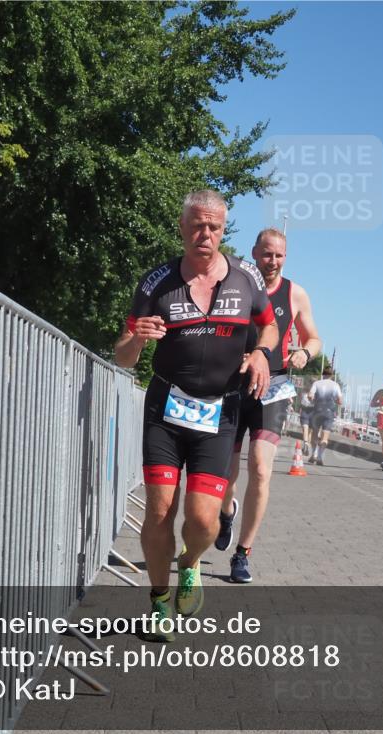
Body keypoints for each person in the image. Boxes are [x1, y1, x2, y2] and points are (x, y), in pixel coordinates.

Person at [115, 190, 278, 641]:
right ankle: (158, 600)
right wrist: (137, 340)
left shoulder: (246, 279)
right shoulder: (156, 283)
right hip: (166, 412)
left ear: (224, 230)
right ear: (183, 227)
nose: (205, 235)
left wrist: (263, 353)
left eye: (215, 227)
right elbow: (124, 356)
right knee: (160, 510)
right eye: (196, 226)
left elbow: (269, 324)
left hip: (218, 416)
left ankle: (189, 564)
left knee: (203, 519)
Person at [215, 228, 321, 584]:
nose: (272, 262)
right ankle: (226, 512)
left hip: (273, 387)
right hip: (233, 384)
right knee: (225, 474)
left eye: (278, 256)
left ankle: (242, 554)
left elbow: (315, 337)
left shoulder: (296, 293)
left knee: (260, 468)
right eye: (266, 254)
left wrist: (305, 352)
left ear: (285, 257)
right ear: (254, 253)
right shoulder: (236, 283)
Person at [307, 366, 342, 466]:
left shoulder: (316, 383)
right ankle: (320, 456)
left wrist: (313, 400)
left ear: (323, 374)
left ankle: (314, 454)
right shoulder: (335, 385)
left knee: (315, 434)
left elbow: (310, 396)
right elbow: (340, 401)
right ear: (332, 375)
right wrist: (334, 401)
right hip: (329, 412)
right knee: (324, 437)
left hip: (317, 411)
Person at [299, 391, 314, 456]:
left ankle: (305, 445)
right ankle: (306, 445)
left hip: (308, 411)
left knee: (307, 430)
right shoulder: (303, 393)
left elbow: (301, 402)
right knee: (308, 430)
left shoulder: (303, 393)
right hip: (308, 411)